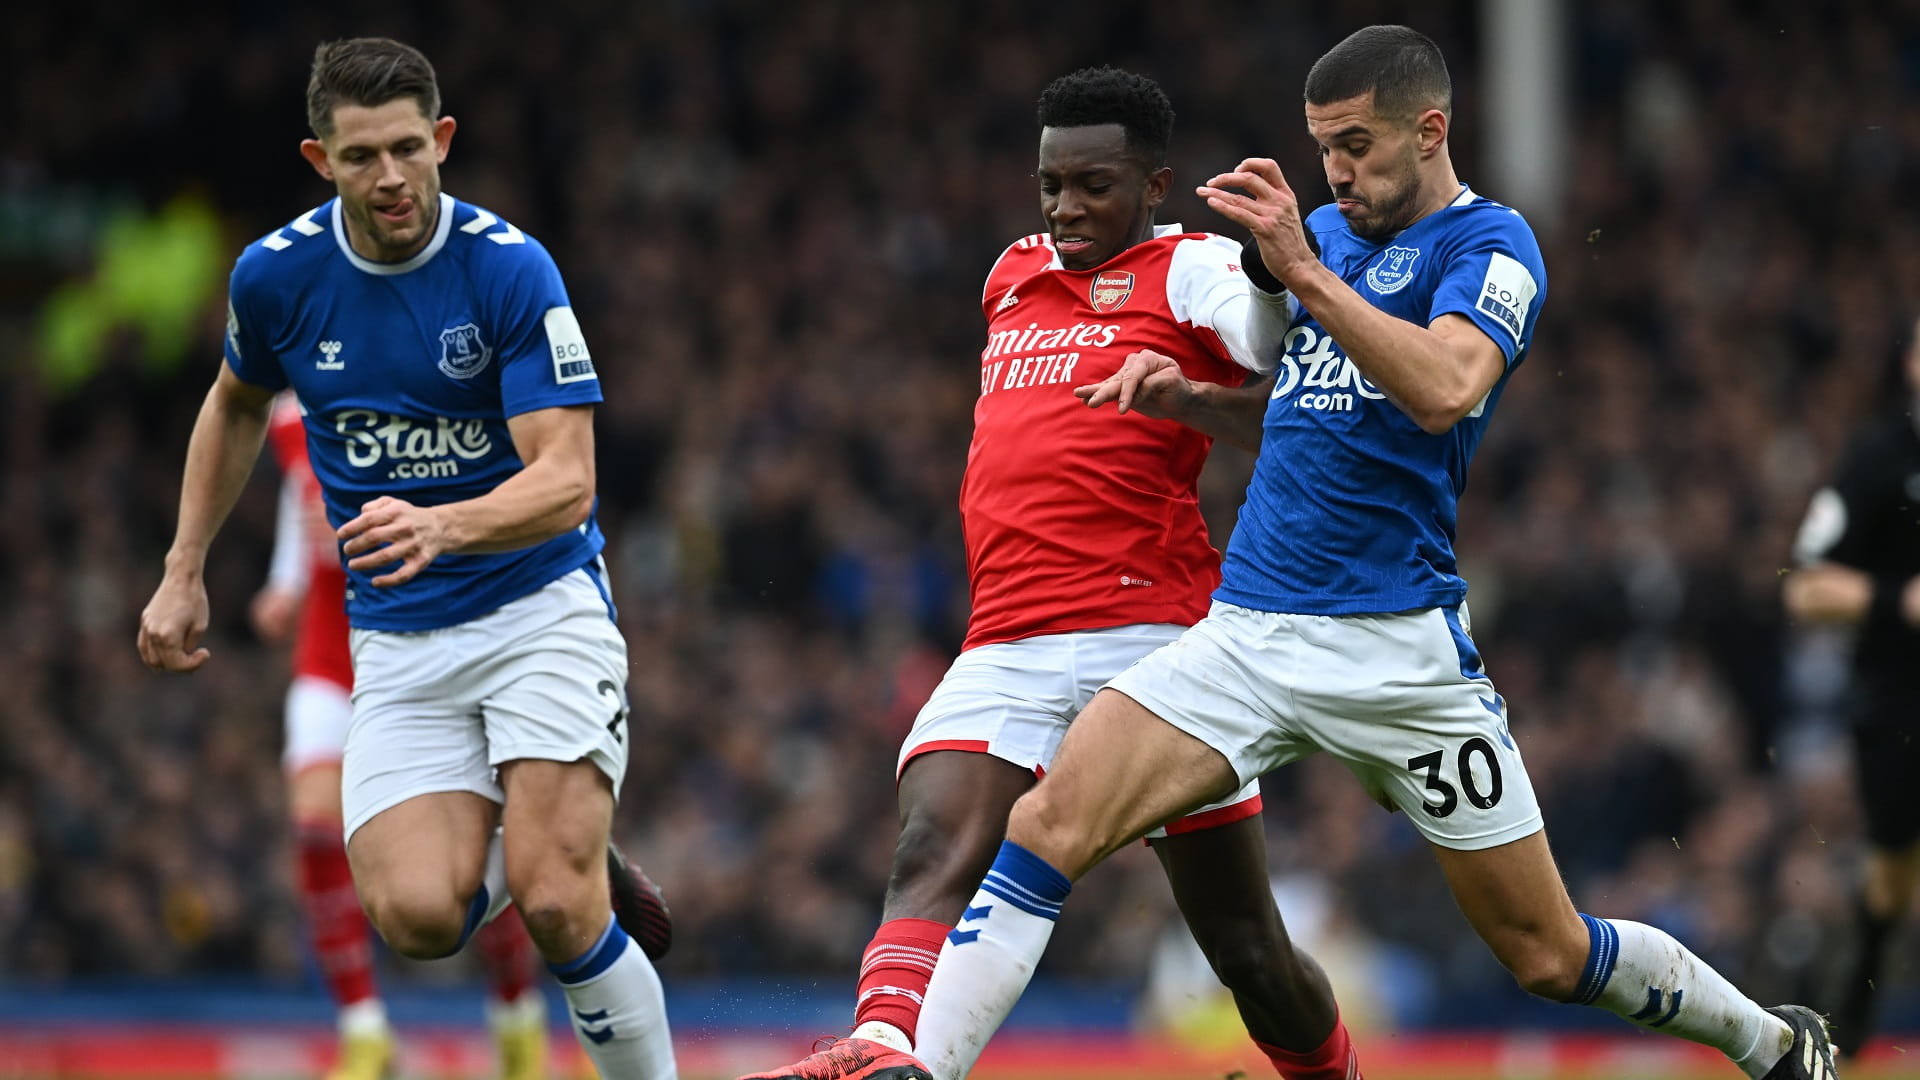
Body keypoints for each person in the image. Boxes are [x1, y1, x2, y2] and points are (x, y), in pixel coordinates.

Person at [889, 25, 1840, 1080]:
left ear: (1428, 131)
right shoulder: (1330, 237)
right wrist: (1194, 399)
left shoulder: (1490, 246)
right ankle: (916, 1068)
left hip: (1396, 652)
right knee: (1048, 821)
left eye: (1355, 146)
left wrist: (1304, 272)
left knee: (1548, 953)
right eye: (1322, 149)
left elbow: (1444, 389)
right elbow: (1305, 409)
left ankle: (1769, 1041)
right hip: (1247, 634)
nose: (1336, 173)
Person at [738, 67, 1362, 1080]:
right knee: (932, 841)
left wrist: (1259, 282)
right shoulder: (1011, 274)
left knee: (1248, 951)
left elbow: (1262, 352)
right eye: (1051, 184)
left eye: (1094, 185)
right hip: (1008, 638)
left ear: (1154, 186)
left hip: (1153, 643)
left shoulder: (1192, 266)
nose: (1066, 207)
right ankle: (884, 1047)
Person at [136, 37, 675, 1080]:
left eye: (407, 149)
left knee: (559, 906)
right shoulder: (277, 276)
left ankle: (559, 862)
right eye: (360, 157)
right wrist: (183, 565)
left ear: (443, 140)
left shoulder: (508, 268)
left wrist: (444, 525)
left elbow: (568, 481)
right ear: (319, 160)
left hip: (538, 609)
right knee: (419, 919)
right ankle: (555, 841)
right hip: (396, 636)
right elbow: (235, 402)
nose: (389, 177)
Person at [253, 391, 551, 1080]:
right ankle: (364, 1031)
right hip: (332, 653)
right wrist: (285, 582)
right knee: (313, 825)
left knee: (483, 844)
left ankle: (517, 1018)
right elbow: (304, 494)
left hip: (428, 650)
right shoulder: (287, 414)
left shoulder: (418, 385)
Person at [1783, 325, 1920, 1061]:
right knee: (1893, 873)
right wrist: (1899, 600)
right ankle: (1858, 997)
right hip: (1900, 702)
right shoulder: (1877, 459)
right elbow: (1804, 588)